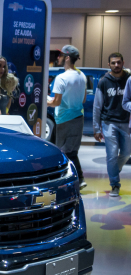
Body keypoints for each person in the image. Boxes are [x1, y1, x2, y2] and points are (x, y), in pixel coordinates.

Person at [48, 45, 87, 189]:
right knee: (72, 151)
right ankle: (80, 179)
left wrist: (45, 101)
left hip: (64, 120)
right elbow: (83, 99)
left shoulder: (61, 78)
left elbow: (56, 101)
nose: (58, 58)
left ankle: (66, 182)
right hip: (78, 118)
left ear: (67, 58)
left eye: (60, 56)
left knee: (62, 152)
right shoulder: (81, 75)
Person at [93, 52, 130, 197]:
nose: (116, 65)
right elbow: (97, 106)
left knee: (127, 153)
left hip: (126, 122)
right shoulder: (104, 81)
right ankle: (115, 184)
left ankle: (114, 169)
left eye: (119, 62)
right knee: (112, 155)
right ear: (109, 64)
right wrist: (96, 128)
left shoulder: (129, 79)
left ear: (123, 62)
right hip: (109, 123)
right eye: (113, 63)